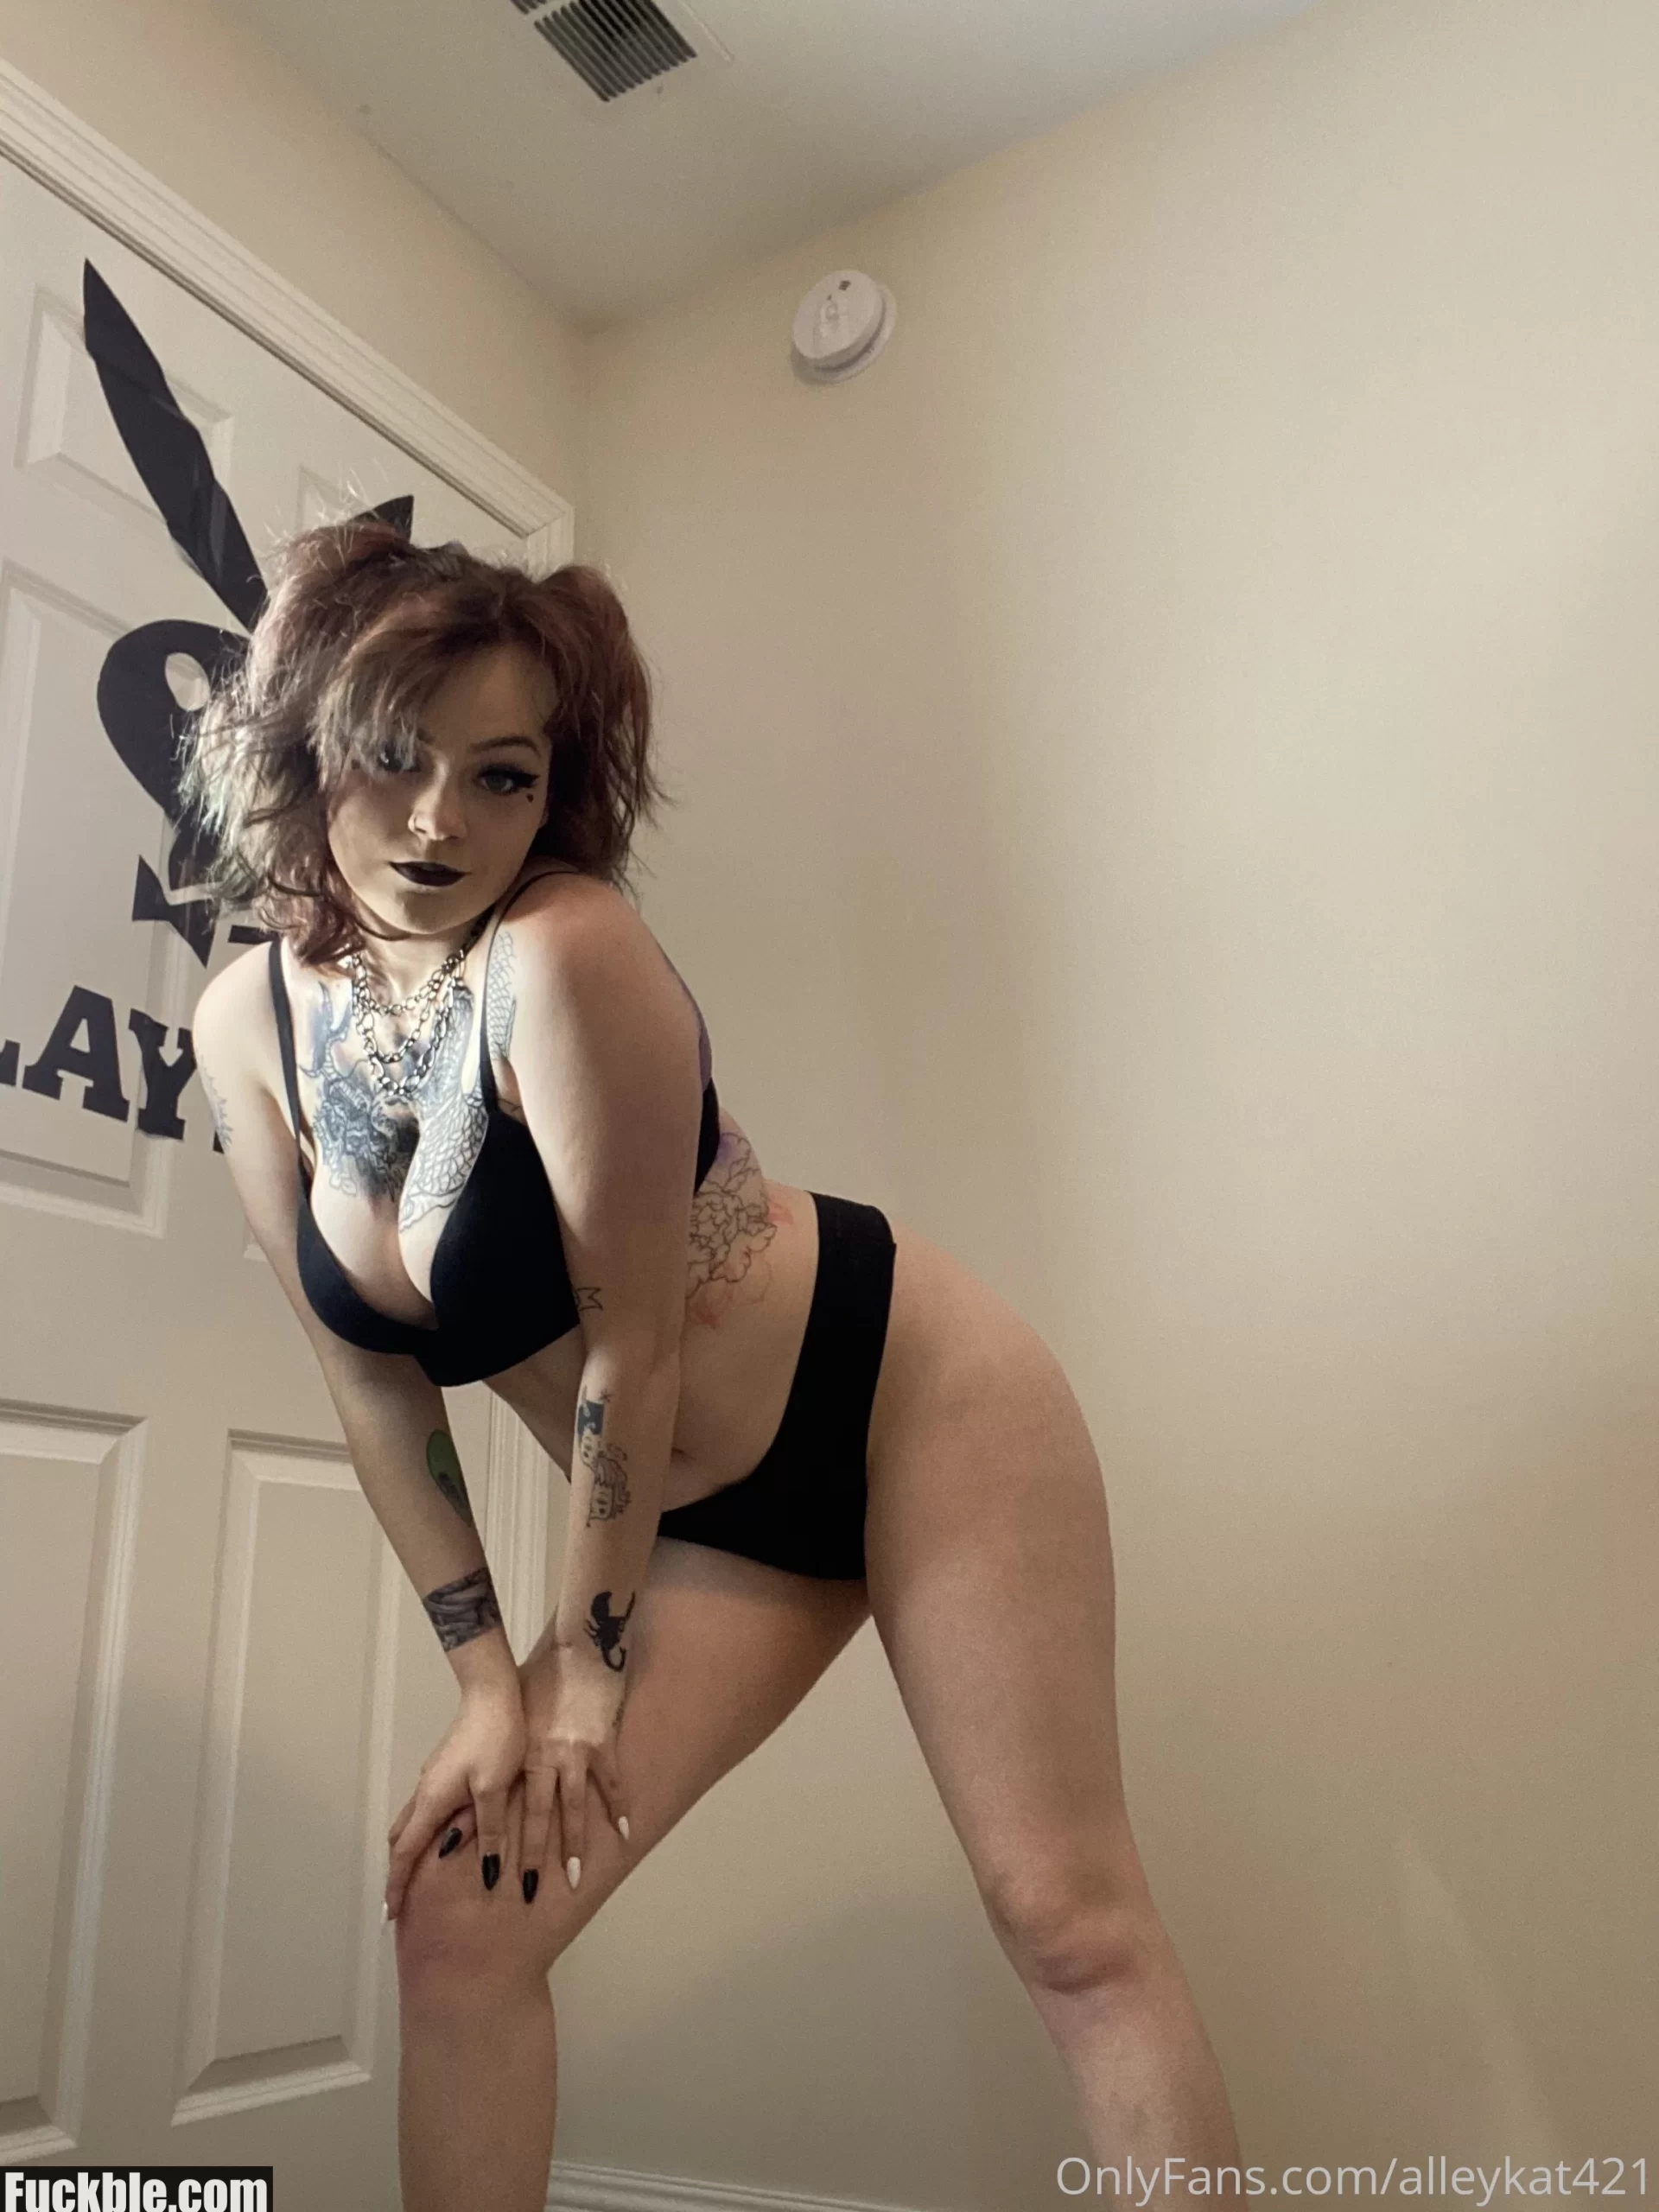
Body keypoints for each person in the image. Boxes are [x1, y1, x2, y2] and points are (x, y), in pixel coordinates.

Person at [187, 520, 1240, 2210]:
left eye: (503, 774)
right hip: (688, 1518)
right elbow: (370, 1378)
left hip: (905, 1395)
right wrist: (488, 1682)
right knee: (462, 1926)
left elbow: (635, 1336)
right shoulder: (247, 1027)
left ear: (556, 794)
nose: (441, 818)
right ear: (310, 741)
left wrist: (589, 1674)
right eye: (393, 754)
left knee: (1067, 1916)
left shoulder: (565, 951)